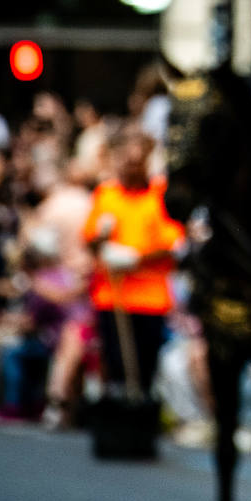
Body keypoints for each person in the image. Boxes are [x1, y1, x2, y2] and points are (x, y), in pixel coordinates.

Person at [81, 130, 184, 399]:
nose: (130, 166)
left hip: (149, 297)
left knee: (144, 366)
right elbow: (90, 239)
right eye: (125, 160)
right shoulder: (106, 194)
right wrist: (101, 242)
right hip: (112, 295)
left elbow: (173, 244)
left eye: (137, 161)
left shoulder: (160, 195)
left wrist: (134, 259)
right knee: (114, 364)